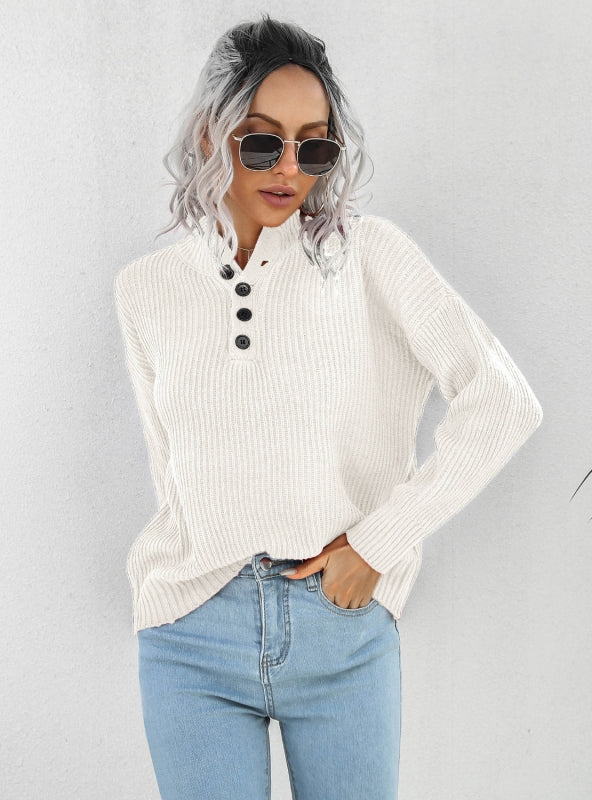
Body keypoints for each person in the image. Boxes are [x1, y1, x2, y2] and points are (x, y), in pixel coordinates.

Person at [113, 16, 543, 800]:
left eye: (314, 148)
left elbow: (503, 401)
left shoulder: (370, 257)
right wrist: (163, 600)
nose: (288, 168)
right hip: (191, 635)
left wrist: (379, 544)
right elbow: (172, 472)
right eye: (261, 142)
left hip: (340, 628)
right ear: (210, 134)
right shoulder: (147, 289)